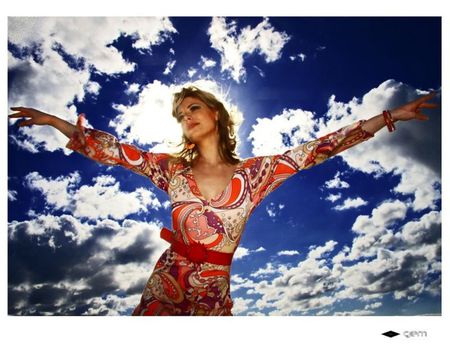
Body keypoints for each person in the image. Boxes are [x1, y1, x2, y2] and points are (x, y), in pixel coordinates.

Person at [8, 86, 438, 316]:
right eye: (179, 115)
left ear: (215, 114)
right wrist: (55, 122)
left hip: (213, 291)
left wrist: (387, 117)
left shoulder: (256, 174)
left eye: (193, 108)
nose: (186, 117)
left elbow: (319, 148)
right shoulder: (170, 169)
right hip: (166, 282)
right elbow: (117, 151)